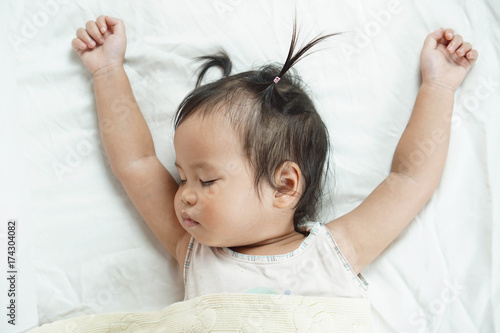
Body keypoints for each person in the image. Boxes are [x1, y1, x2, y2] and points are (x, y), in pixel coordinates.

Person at [72, 15, 478, 300]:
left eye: (206, 180)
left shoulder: (333, 253)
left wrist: (439, 86)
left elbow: (409, 180)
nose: (185, 196)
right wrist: (108, 72)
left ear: (284, 186)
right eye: (183, 179)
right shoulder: (195, 251)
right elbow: (138, 163)